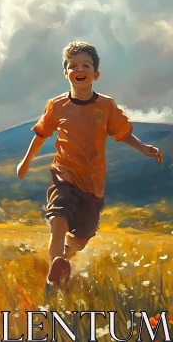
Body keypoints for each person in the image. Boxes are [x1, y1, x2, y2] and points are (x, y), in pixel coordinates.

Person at [17, 41, 164, 285]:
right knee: (58, 219)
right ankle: (52, 281)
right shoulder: (57, 106)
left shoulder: (105, 106)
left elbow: (122, 133)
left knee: (80, 239)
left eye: (85, 65)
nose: (78, 69)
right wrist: (25, 162)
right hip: (64, 174)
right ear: (66, 73)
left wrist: (144, 148)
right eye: (72, 65)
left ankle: (62, 260)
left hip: (93, 184)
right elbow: (41, 134)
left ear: (95, 73)